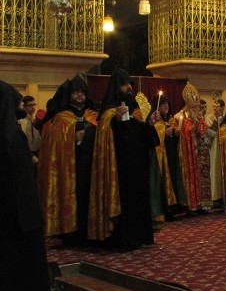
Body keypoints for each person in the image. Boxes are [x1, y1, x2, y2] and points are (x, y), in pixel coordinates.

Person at [88, 68, 160, 250]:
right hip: (119, 170)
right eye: (125, 84)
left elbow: (140, 136)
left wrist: (150, 124)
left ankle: (140, 237)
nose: (129, 87)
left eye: (130, 84)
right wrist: (117, 121)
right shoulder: (108, 114)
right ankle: (124, 240)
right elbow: (110, 136)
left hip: (136, 168)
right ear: (116, 88)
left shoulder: (133, 109)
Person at [0, 80, 51, 291]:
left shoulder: (11, 131)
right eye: (18, 101)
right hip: (19, 215)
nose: (22, 104)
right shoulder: (10, 135)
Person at [37, 75, 98, 244]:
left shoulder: (93, 115)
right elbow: (53, 142)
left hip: (90, 167)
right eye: (76, 92)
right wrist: (72, 135)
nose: (79, 95)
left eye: (82, 92)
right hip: (67, 169)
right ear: (70, 95)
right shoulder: (60, 118)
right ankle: (69, 233)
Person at [178, 82, 212, 213]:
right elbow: (185, 135)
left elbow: (208, 132)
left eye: (199, 108)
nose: (198, 111)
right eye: (195, 108)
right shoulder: (184, 120)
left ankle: (205, 204)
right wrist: (193, 128)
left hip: (203, 154)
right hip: (191, 156)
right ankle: (193, 205)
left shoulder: (201, 120)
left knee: (204, 178)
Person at [147, 93, 178, 224]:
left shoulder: (170, 120)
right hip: (161, 159)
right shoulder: (154, 121)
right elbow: (153, 136)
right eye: (163, 104)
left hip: (172, 157)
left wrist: (176, 133)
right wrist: (164, 132)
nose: (166, 106)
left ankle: (173, 208)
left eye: (167, 104)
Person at [205, 99, 226, 203]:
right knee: (215, 169)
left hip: (225, 146)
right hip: (214, 147)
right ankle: (216, 196)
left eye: (216, 106)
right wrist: (216, 120)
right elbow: (211, 133)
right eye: (213, 106)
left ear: (222, 107)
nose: (214, 108)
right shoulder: (209, 118)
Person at [19, 95, 41, 165]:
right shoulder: (20, 121)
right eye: (30, 105)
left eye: (34, 104)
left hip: (37, 152)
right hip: (25, 154)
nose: (33, 107)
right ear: (24, 107)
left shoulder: (36, 120)